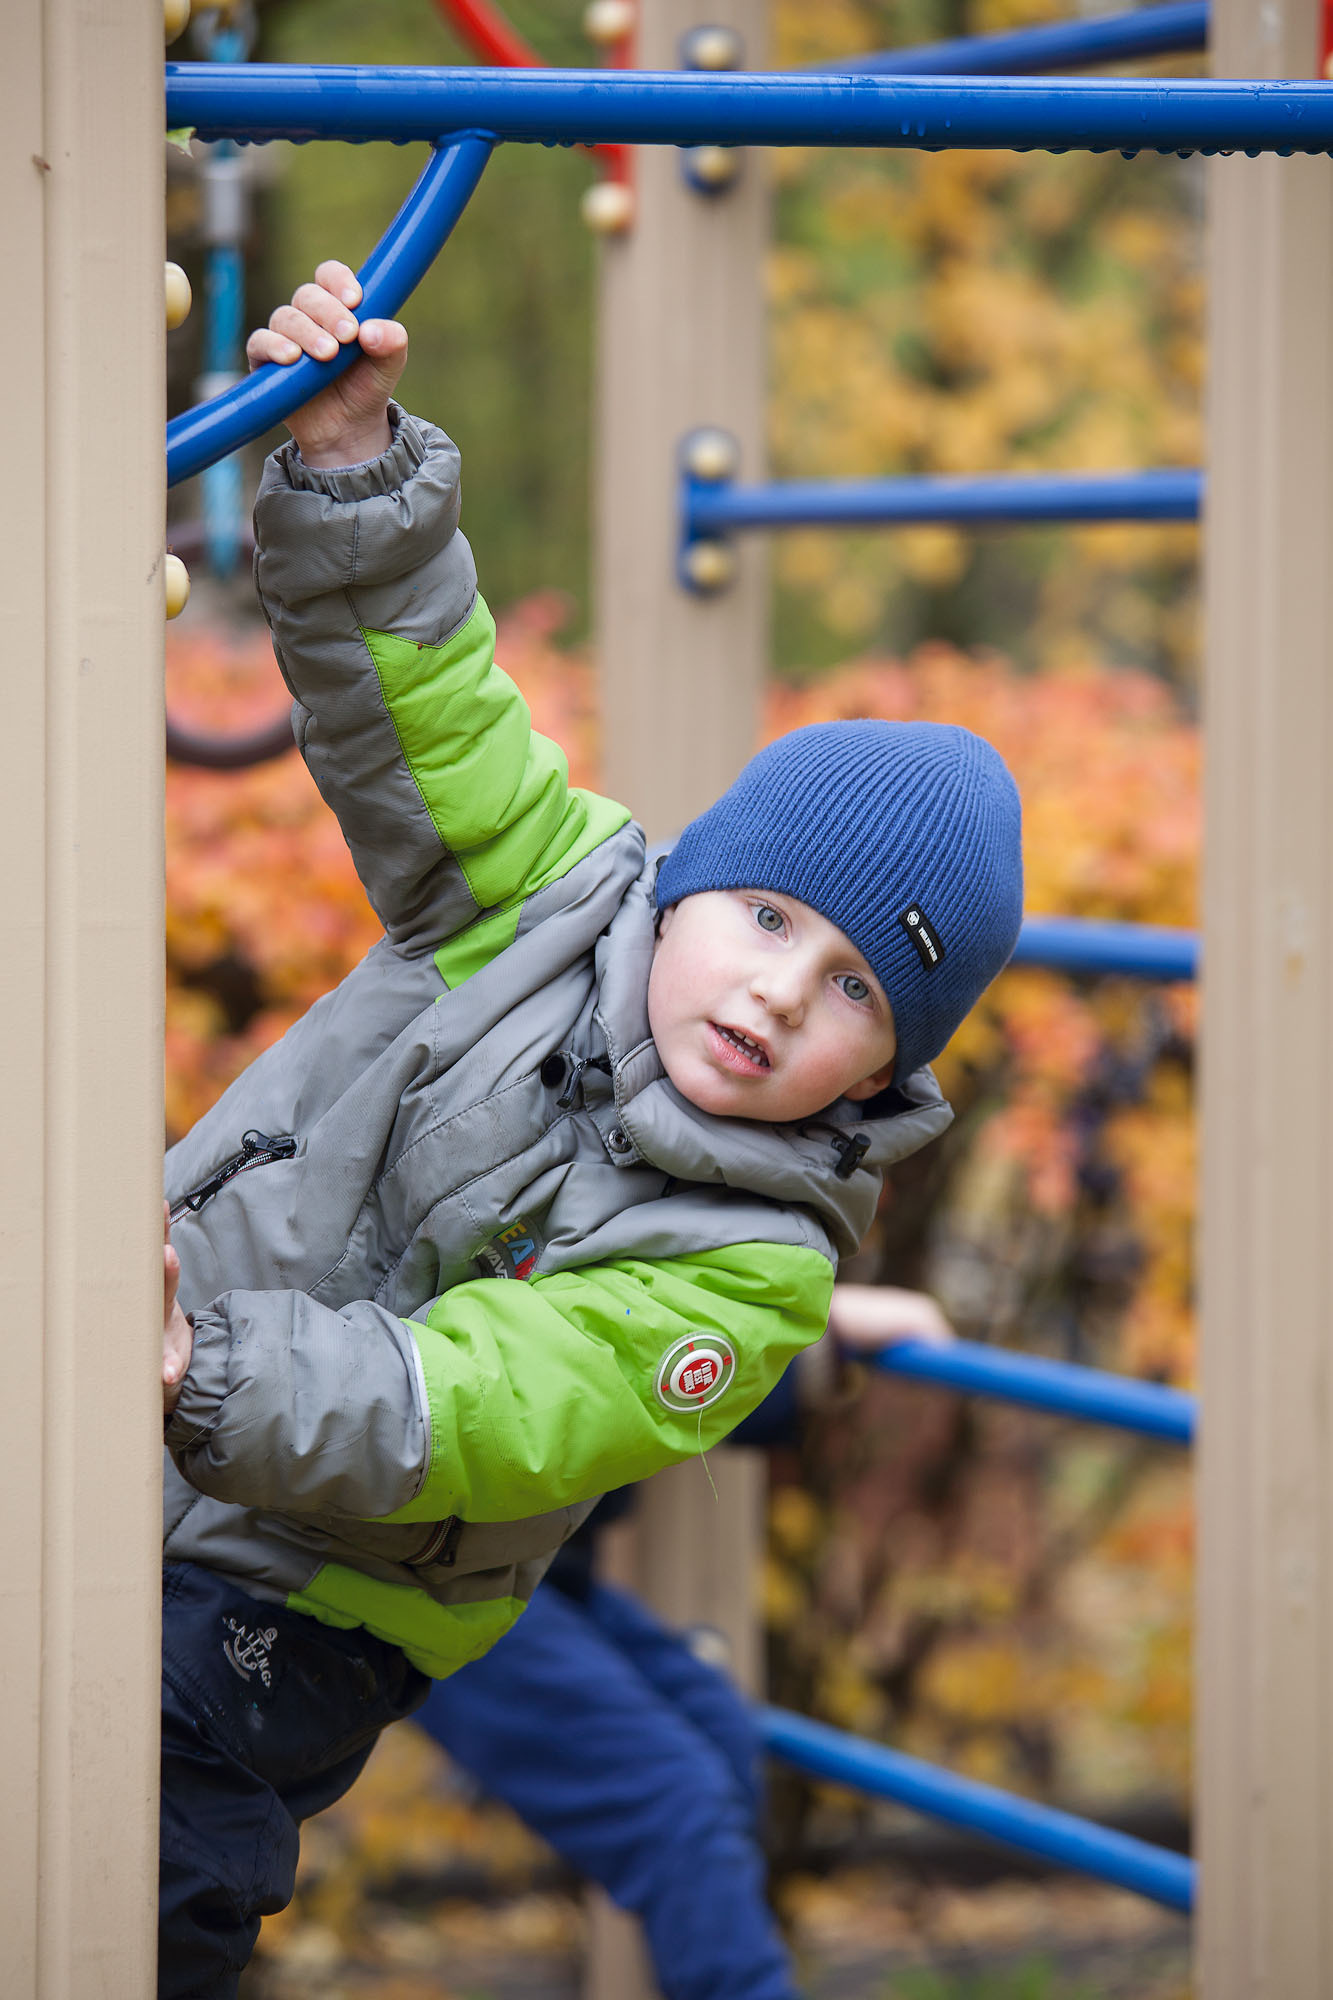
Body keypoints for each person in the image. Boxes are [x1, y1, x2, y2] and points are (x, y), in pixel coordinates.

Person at [158, 261, 1022, 1997]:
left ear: (875, 1078)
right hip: (135, 1369)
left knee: (145, 1865)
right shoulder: (532, 897)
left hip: (293, 1599)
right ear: (691, 873)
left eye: (856, 993)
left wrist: (198, 1371)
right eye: (772, 920)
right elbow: (429, 709)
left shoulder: (754, 1267)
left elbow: (490, 1402)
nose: (782, 995)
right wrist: (351, 469)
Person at [416, 1284, 955, 2000]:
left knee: (718, 1737)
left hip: (527, 1562)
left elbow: (632, 1339)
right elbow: (591, 1336)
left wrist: (803, 1340)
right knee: (675, 1802)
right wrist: (807, 1333)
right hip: (425, 1568)